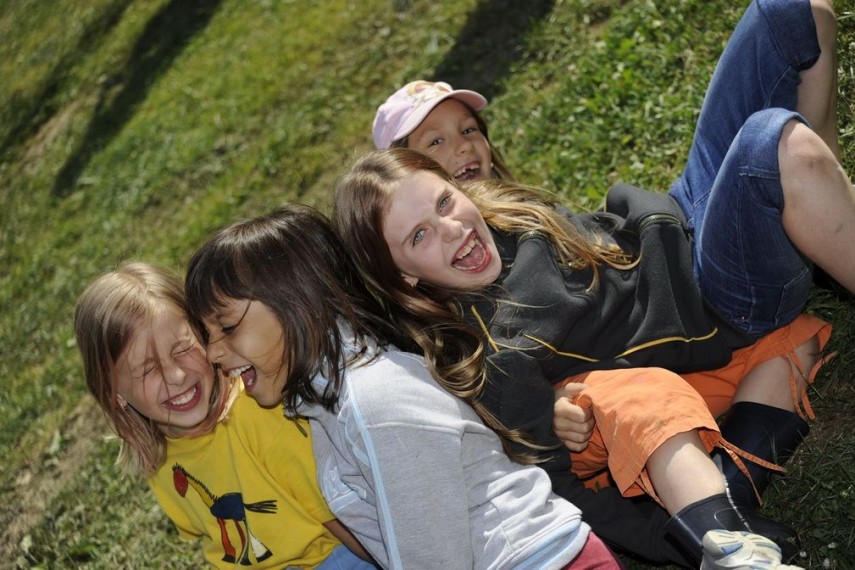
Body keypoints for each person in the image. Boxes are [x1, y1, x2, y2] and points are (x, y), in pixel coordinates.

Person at [341, 0, 850, 564]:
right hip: (715, 292)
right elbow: (560, 476)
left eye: (444, 200)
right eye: (419, 235)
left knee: (795, 13)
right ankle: (721, 520)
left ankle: (820, 207)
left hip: (682, 216)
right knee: (774, 144)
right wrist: (665, 540)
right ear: (402, 274)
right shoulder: (494, 349)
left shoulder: (505, 214)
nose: (451, 227)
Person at [183, 204, 623, 569]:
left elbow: (436, 558)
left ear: (298, 305)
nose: (214, 353)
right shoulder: (329, 401)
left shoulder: (372, 401)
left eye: (227, 327)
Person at [74, 262, 374, 569]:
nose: (176, 375)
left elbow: (345, 522)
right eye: (147, 370)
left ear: (203, 334)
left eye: (182, 348)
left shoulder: (258, 416)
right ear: (115, 394)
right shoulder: (158, 460)